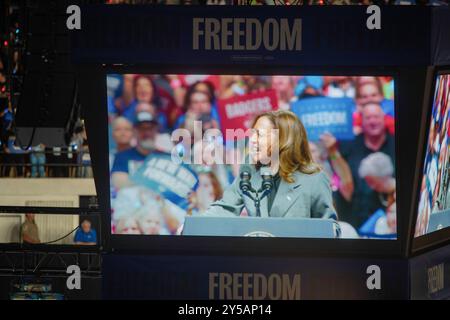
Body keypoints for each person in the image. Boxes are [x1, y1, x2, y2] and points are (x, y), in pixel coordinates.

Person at [202, 110, 336, 219]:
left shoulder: (314, 179)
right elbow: (225, 208)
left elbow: (329, 228)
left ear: (283, 139)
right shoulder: (249, 171)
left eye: (259, 135)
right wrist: (195, 226)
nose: (252, 140)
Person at [331, 103, 395, 229]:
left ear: (384, 118)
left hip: (390, 220)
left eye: (376, 117)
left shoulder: (397, 143)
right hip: (356, 217)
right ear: (361, 121)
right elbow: (340, 171)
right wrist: (332, 151)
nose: (372, 121)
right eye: (368, 117)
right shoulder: (349, 145)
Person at [111, 111, 160, 190]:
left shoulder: (165, 157)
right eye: (142, 129)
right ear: (135, 131)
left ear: (156, 131)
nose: (147, 132)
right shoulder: (122, 156)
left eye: (150, 128)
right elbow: (118, 182)